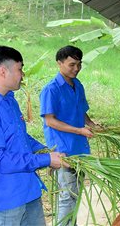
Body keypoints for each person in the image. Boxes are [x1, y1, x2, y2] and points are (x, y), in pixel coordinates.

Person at [0, 45, 66, 226]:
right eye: (20, 69)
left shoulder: (9, 99)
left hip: (28, 188)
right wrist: (46, 160)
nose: (22, 74)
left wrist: (45, 151)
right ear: (3, 71)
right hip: (7, 197)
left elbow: (20, 137)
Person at [39, 45, 99, 225]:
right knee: (67, 196)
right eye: (72, 64)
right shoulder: (51, 89)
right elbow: (50, 121)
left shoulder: (78, 85)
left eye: (79, 65)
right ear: (59, 63)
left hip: (80, 148)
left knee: (75, 193)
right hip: (63, 150)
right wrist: (79, 130)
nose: (76, 69)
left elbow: (81, 110)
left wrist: (91, 124)